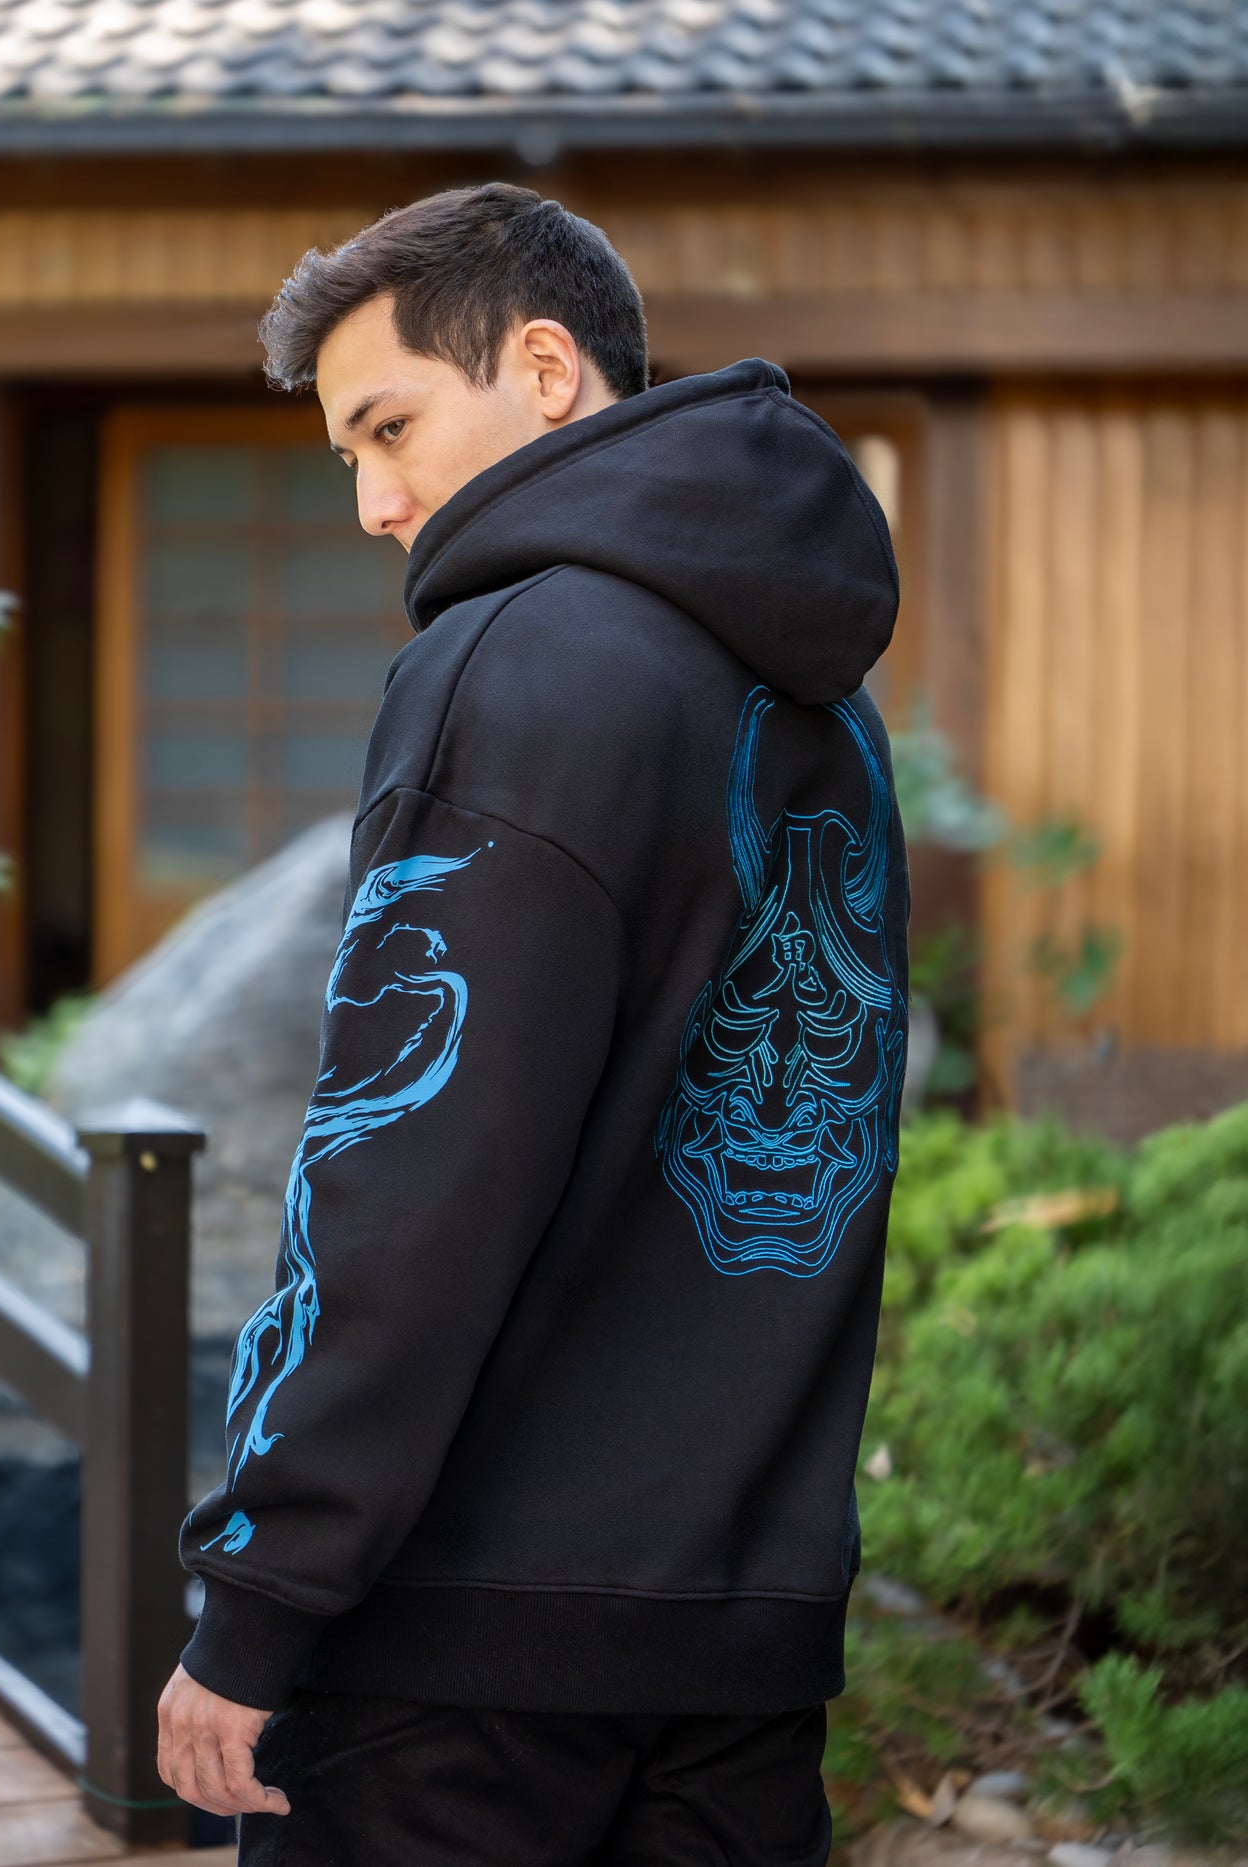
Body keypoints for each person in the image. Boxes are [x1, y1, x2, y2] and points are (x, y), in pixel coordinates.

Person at [156, 181, 908, 1866]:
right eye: (348, 455)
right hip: (741, 1636)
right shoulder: (827, 709)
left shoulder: (512, 662)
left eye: (390, 427)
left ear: (548, 370)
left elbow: (411, 1174)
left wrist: (265, 1591)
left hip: (462, 1652)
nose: (373, 501)